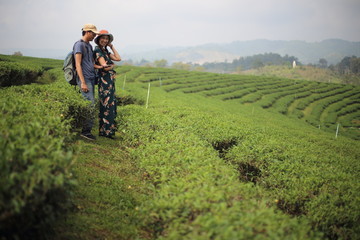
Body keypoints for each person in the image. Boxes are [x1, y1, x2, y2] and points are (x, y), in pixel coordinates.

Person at [93, 30, 121, 139]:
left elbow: (118, 58)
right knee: (106, 105)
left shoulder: (105, 51)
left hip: (109, 81)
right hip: (104, 80)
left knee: (111, 104)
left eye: (107, 39)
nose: (105, 40)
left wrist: (111, 46)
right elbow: (104, 65)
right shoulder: (97, 50)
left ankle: (108, 131)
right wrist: (112, 66)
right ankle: (105, 132)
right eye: (103, 38)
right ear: (99, 39)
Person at [74, 23, 99, 140]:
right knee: (90, 104)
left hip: (91, 78)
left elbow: (91, 63)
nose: (94, 36)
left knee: (90, 103)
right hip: (85, 79)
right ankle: (85, 131)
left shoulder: (89, 46)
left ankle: (86, 129)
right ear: (88, 32)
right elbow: (78, 64)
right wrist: (83, 82)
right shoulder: (79, 45)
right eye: (93, 34)